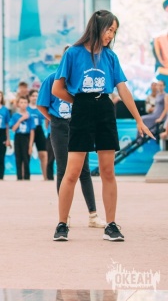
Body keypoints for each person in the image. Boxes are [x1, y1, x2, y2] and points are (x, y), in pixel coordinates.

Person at [51, 10, 154, 242]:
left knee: (108, 171)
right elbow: (57, 89)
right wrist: (79, 103)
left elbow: (123, 89)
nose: (111, 35)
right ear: (97, 27)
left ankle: (111, 225)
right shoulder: (73, 53)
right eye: (109, 30)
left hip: (106, 109)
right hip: (82, 108)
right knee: (72, 172)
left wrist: (139, 119)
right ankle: (62, 224)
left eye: (114, 32)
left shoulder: (110, 56)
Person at [37, 52, 106, 229]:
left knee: (84, 170)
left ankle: (93, 215)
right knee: (62, 168)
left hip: (79, 125)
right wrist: (54, 120)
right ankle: (64, 216)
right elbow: (41, 105)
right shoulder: (52, 79)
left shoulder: (81, 79)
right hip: (59, 126)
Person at [9, 96, 34, 180]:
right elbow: (13, 129)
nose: (23, 104)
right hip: (18, 137)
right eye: (21, 102)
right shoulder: (15, 116)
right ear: (18, 104)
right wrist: (20, 120)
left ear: (27, 104)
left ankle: (27, 177)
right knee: (18, 158)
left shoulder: (30, 116)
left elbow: (32, 131)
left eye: (25, 102)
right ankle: (19, 177)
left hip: (26, 137)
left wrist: (30, 145)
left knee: (26, 158)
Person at [27, 89, 48, 179]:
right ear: (29, 97)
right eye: (33, 96)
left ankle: (46, 177)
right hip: (28, 131)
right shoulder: (26, 108)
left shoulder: (40, 108)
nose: (35, 98)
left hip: (39, 130)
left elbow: (47, 118)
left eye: (36, 96)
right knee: (26, 154)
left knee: (43, 154)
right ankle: (24, 177)